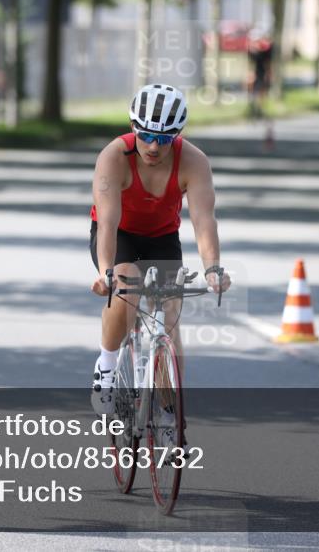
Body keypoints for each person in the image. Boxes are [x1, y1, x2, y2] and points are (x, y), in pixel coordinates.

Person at [89, 84, 231, 422]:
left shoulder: (194, 162)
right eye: (147, 136)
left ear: (177, 135)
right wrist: (106, 272)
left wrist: (213, 269)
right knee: (127, 283)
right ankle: (106, 369)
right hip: (120, 234)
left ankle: (170, 412)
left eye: (165, 139)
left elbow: (203, 221)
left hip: (162, 236)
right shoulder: (113, 156)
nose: (154, 146)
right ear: (133, 128)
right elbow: (107, 223)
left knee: (170, 316)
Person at [247, 31, 272, 118]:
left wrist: (268, 74)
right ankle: (253, 108)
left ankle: (260, 109)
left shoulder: (266, 51)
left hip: (262, 73)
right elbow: (250, 64)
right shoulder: (251, 52)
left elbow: (268, 63)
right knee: (253, 91)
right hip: (255, 73)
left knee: (262, 92)